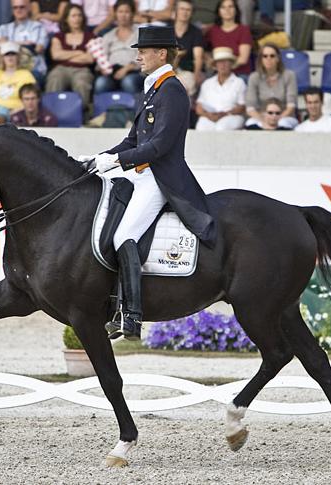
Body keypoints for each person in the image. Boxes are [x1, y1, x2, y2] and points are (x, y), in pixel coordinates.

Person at [77, 26, 216, 340]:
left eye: (143, 51)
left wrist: (115, 162)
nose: (137, 56)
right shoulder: (151, 88)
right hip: (141, 175)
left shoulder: (173, 91)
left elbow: (160, 146)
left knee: (124, 234)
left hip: (161, 179)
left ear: (161, 53)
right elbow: (131, 140)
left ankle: (132, 316)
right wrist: (99, 157)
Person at [45, 3, 94, 107]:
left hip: (82, 70)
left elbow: (89, 58)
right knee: (55, 78)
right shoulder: (58, 36)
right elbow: (56, 55)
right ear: (66, 18)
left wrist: (65, 55)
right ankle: (51, 112)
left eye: (79, 15)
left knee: (82, 82)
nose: (77, 19)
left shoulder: (90, 36)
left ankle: (82, 114)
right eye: (73, 16)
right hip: (61, 68)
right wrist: (79, 52)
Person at [244, 42, 297, 129]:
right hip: (261, 117)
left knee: (283, 124)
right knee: (251, 123)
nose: (268, 59)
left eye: (272, 56)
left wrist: (275, 120)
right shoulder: (254, 77)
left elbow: (291, 106)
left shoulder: (289, 75)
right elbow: (250, 108)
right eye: (265, 56)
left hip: (284, 117)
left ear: (278, 58)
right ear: (261, 59)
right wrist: (264, 121)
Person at [93, 0, 141, 95]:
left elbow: (145, 57)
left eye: (127, 12)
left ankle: (137, 109)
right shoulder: (108, 36)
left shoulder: (140, 33)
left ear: (132, 14)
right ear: (115, 14)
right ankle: (101, 110)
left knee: (128, 82)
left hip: (134, 72)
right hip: (112, 73)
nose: (123, 15)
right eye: (120, 12)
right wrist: (103, 68)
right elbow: (102, 60)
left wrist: (128, 68)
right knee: (101, 83)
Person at [0, 0, 48, 81]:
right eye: (15, 8)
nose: (18, 10)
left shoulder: (38, 27)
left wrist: (8, 43)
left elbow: (37, 49)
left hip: (33, 70)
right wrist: (24, 44)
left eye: (22, 7)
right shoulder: (3, 28)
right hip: (8, 71)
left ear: (29, 8)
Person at [195, 47, 245, 131]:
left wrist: (224, 114)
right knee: (201, 127)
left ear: (231, 64)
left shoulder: (239, 82)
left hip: (231, 116)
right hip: (209, 117)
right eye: (220, 62)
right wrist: (208, 115)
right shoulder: (207, 83)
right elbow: (199, 107)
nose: (223, 65)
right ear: (215, 65)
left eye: (226, 61)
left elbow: (242, 107)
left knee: (222, 127)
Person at [204, 0, 252, 79]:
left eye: (230, 6)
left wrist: (223, 69)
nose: (227, 10)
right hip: (217, 73)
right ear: (219, 11)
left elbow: (243, 59)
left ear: (236, 10)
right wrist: (209, 60)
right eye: (223, 7)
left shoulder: (244, 30)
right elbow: (203, 50)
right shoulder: (212, 30)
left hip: (239, 74)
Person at [0, 40, 37, 111]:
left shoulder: (26, 74)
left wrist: (17, 112)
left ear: (18, 57)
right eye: (7, 54)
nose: (10, 56)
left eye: (13, 54)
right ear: (2, 57)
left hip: (17, 112)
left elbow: (31, 98)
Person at [172, 0, 204, 96]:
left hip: (187, 71)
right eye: (182, 9)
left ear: (192, 13)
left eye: (188, 10)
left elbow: (198, 57)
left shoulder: (196, 32)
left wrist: (197, 75)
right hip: (168, 71)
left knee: (182, 85)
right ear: (176, 11)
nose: (185, 12)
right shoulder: (166, 30)